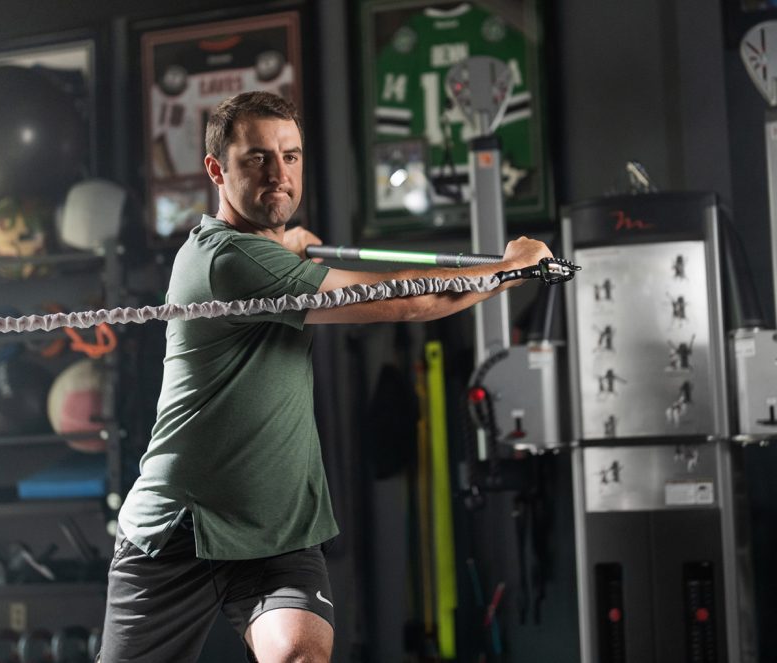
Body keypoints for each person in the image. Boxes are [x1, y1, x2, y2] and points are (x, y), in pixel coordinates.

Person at [100, 91, 552, 663]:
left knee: (300, 653)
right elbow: (403, 300)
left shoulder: (258, 254)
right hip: (181, 527)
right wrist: (511, 270)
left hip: (273, 528)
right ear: (216, 170)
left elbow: (271, 259)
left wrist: (286, 245)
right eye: (257, 158)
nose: (279, 174)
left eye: (290, 156)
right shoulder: (227, 259)